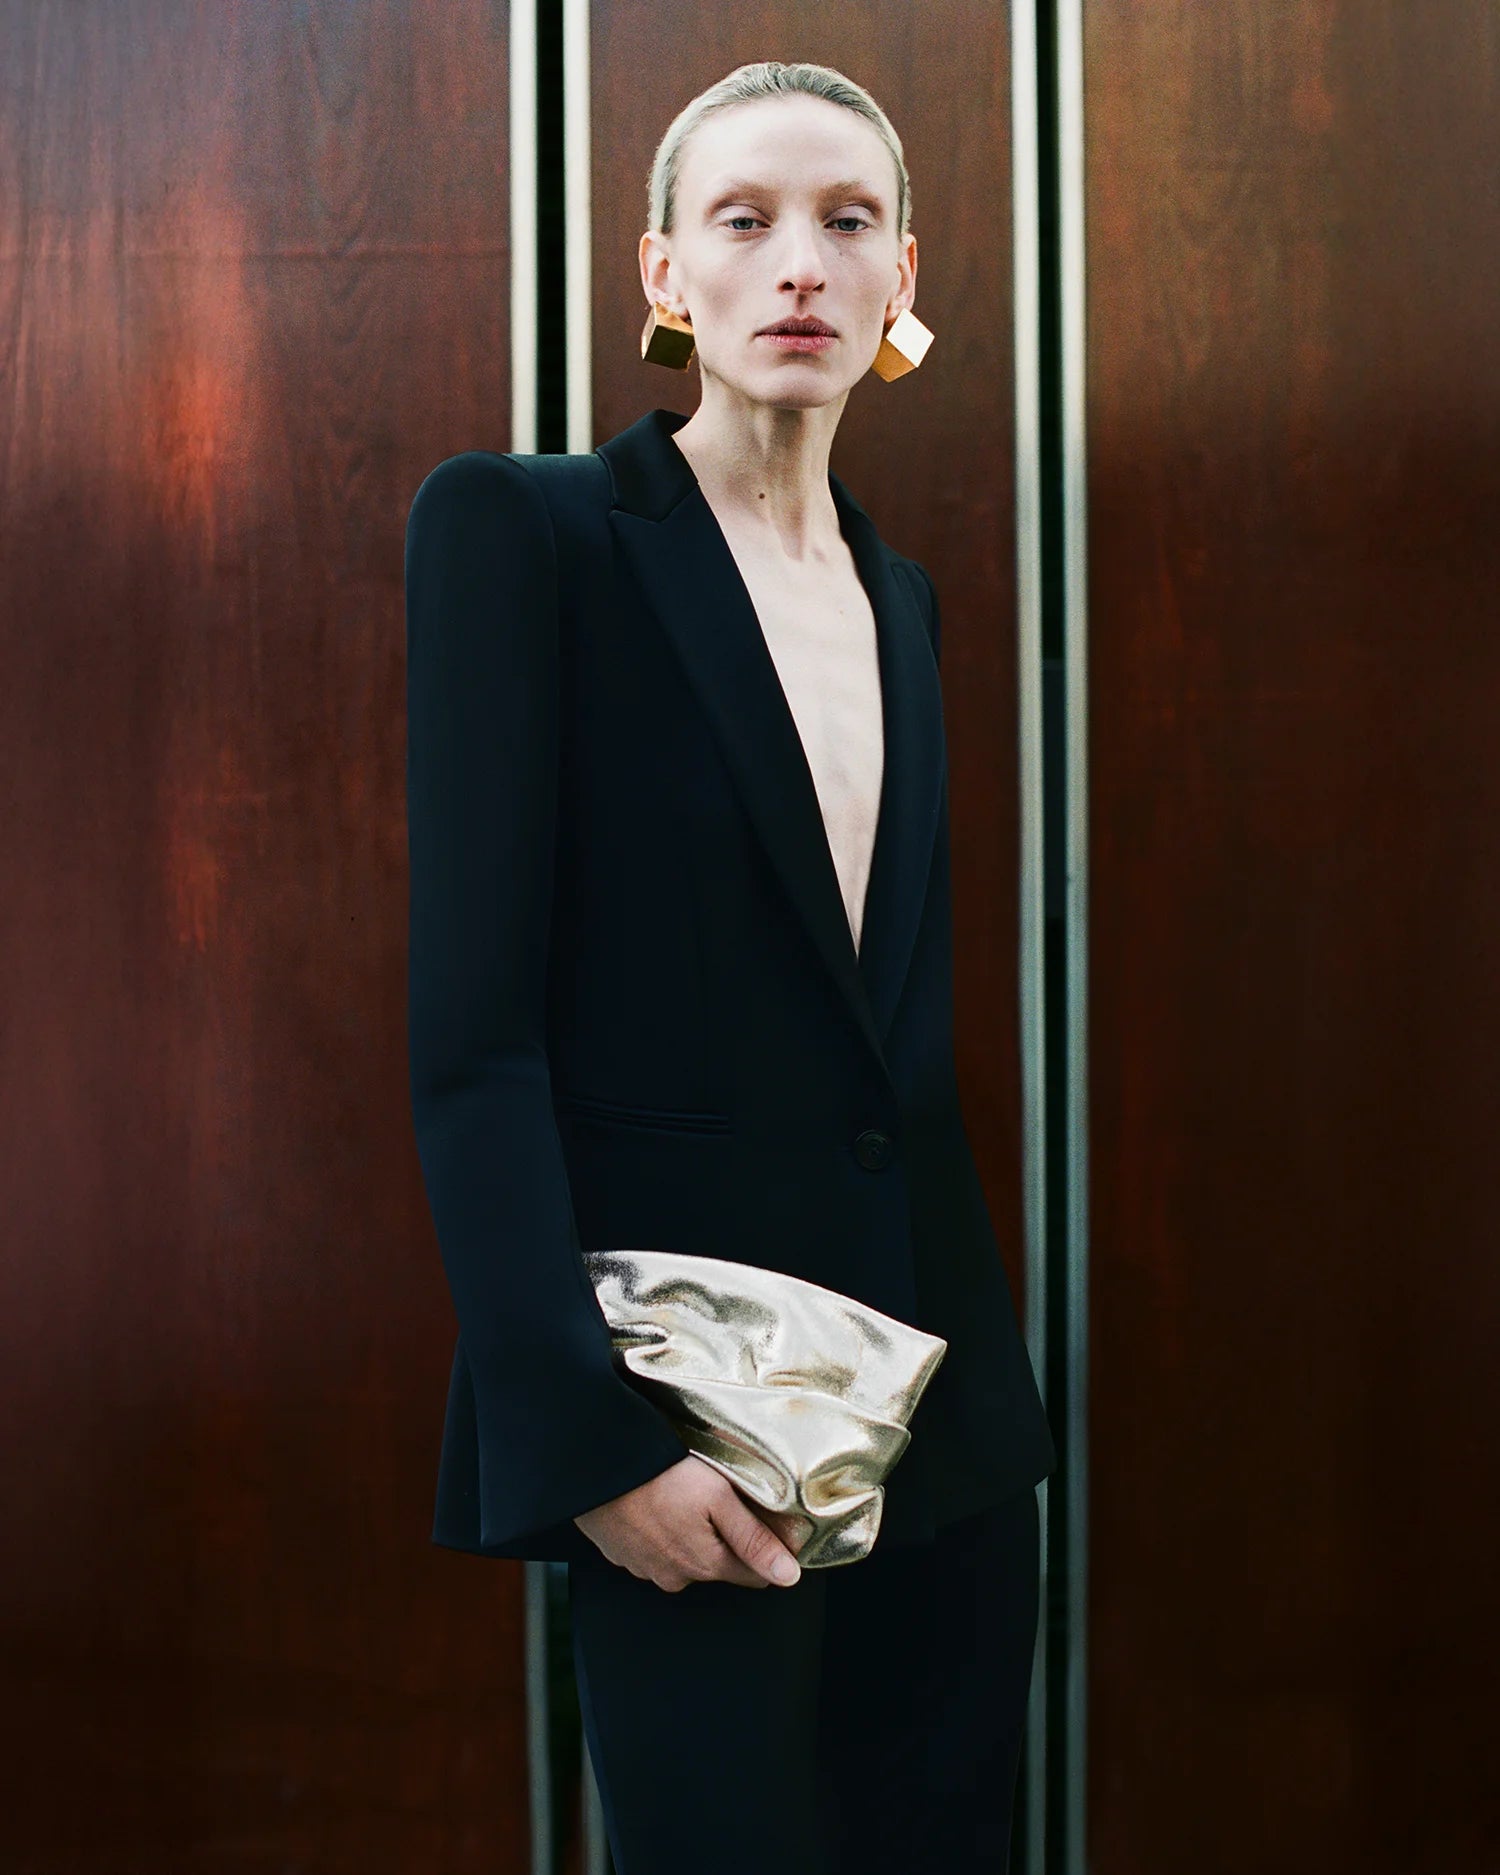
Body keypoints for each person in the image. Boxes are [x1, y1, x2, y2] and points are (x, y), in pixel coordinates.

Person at [405, 57, 1056, 1875]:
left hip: (947, 1428)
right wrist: (589, 1442)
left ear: (903, 279)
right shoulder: (525, 532)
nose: (800, 266)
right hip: (688, 1431)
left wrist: (984, 1423)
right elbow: (472, 1042)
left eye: (847, 225)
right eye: (746, 222)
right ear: (664, 276)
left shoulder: (896, 590)